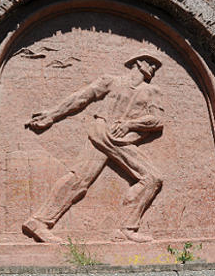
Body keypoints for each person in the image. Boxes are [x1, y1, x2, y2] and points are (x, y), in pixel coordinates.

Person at [23, 52, 165, 243]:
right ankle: (126, 229)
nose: (155, 67)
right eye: (151, 62)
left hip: (122, 136)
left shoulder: (152, 91)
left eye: (156, 65)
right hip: (104, 130)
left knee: (79, 179)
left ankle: (38, 222)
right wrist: (52, 114)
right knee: (152, 177)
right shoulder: (112, 81)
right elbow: (82, 97)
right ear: (138, 62)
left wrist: (131, 124)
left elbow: (157, 120)